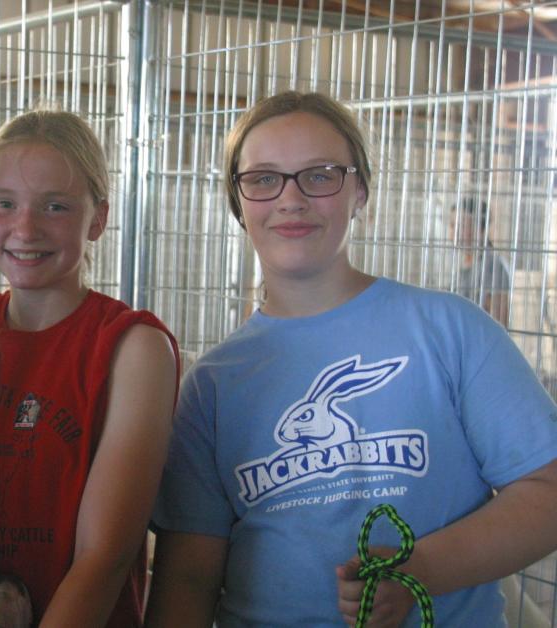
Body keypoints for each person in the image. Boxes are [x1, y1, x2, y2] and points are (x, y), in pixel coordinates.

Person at [145, 91, 557, 627]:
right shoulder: (213, 385)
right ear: (238, 202)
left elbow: (546, 490)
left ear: (360, 189)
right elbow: (188, 575)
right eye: (264, 178)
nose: (290, 199)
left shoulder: (450, 330)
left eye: (319, 175)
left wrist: (421, 568)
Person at [0, 110, 180, 627]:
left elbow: (102, 560)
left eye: (55, 206)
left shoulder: (134, 348)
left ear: (99, 218)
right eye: (4, 204)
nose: (25, 227)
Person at [449, 197, 511, 325]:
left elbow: (499, 323)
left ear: (481, 230)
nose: (454, 232)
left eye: (462, 226)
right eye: (452, 225)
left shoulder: (492, 266)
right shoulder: (467, 261)